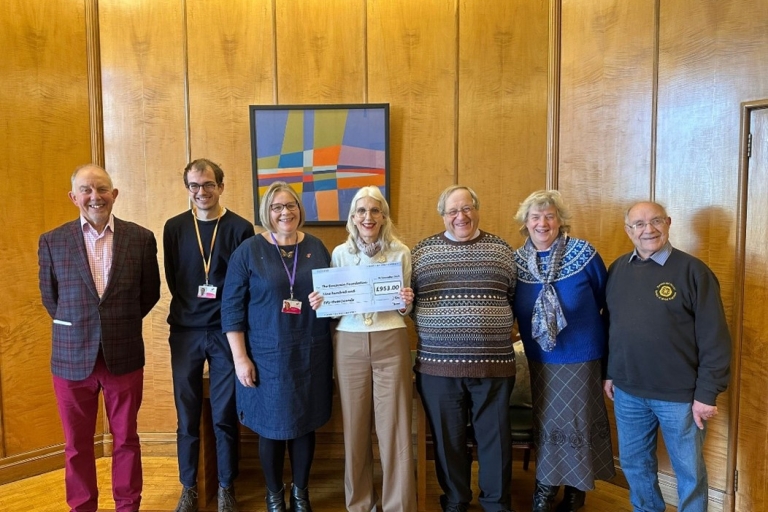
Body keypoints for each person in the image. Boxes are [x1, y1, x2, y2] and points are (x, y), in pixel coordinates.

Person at [38, 164, 161, 512]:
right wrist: (84, 326)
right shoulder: (52, 241)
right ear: (74, 197)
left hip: (123, 355)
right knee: (76, 444)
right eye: (87, 190)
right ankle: (82, 506)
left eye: (102, 189)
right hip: (70, 357)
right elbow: (51, 298)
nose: (96, 197)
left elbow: (148, 292)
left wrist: (115, 323)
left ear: (115, 194)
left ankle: (127, 505)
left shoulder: (140, 238)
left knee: (126, 439)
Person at [603, 201, 731, 512]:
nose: (648, 229)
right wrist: (610, 372)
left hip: (680, 397)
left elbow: (715, 339)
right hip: (628, 392)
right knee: (635, 465)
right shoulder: (617, 269)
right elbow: (612, 326)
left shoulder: (694, 272)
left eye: (656, 221)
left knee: (689, 472)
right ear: (628, 230)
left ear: (669, 223)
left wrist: (707, 394)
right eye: (639, 224)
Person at [221, 181, 333, 512]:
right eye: (277, 207)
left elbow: (335, 298)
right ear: (267, 213)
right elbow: (231, 309)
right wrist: (240, 358)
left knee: (303, 424)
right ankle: (274, 495)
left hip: (310, 352)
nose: (285, 212)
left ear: (300, 209)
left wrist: (324, 300)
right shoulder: (248, 251)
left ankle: (301, 493)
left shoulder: (317, 247)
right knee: (269, 426)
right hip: (265, 355)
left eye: (291, 206)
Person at [411, 185, 517, 512]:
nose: (461, 216)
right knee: (447, 442)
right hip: (437, 366)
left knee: (495, 441)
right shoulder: (421, 253)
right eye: (453, 211)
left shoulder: (502, 250)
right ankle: (455, 501)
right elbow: (406, 303)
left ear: (477, 210)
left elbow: (514, 298)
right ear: (443, 215)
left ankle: (496, 504)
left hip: (494, 365)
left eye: (467, 208)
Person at [511, 190, 615, 512]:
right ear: (525, 223)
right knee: (547, 424)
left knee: (576, 423)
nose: (543, 223)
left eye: (550, 216)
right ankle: (547, 486)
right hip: (540, 358)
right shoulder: (516, 262)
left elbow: (604, 301)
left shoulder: (584, 254)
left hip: (580, 356)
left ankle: (572, 491)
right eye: (535, 217)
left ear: (560, 221)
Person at [315, 186, 417, 512]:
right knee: (355, 427)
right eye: (361, 211)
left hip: (392, 341)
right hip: (349, 342)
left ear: (384, 216)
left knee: (395, 428)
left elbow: (405, 309)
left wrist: (406, 303)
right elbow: (336, 307)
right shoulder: (340, 254)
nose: (368, 217)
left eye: (374, 211)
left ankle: (397, 504)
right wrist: (322, 302)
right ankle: (360, 504)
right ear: (353, 218)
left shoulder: (401, 252)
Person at [163, 159, 255, 512]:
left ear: (221, 185)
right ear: (187, 187)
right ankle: (188, 486)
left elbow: (244, 284)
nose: (201, 192)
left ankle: (225, 486)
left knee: (223, 413)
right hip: (185, 331)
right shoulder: (174, 228)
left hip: (225, 332)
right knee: (186, 414)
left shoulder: (240, 228)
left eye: (208, 185)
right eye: (194, 186)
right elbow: (175, 278)